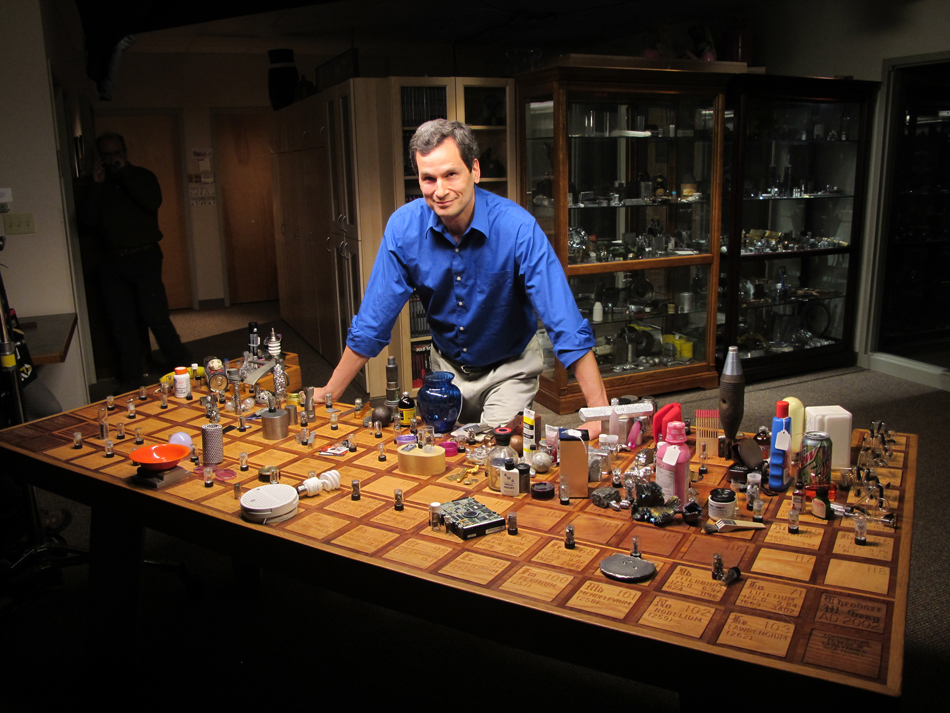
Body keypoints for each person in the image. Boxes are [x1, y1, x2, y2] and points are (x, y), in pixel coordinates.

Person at [317, 119, 608, 430]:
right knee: (442, 454)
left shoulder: (518, 228)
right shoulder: (403, 229)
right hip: (446, 369)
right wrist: (329, 393)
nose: (440, 191)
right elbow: (373, 321)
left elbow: (564, 322)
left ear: (475, 171)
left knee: (496, 455)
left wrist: (599, 412)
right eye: (428, 179)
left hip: (509, 368)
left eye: (451, 174)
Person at [79, 132, 189, 388]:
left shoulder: (142, 176)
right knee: (121, 322)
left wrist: (125, 173)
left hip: (146, 257)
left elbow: (152, 202)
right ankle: (131, 378)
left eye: (116, 153)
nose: (112, 159)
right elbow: (86, 222)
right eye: (106, 155)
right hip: (112, 262)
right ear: (100, 157)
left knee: (156, 315)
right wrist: (96, 185)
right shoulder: (96, 185)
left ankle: (181, 363)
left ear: (125, 152)